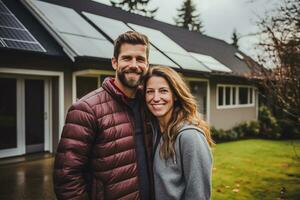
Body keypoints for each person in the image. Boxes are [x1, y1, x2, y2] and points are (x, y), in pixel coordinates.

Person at [53, 31, 153, 200]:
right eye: (127, 58)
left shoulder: (150, 104)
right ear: (115, 63)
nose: (134, 65)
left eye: (140, 59)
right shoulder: (86, 109)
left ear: (147, 65)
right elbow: (66, 177)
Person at [144, 66, 214, 200]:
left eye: (163, 91)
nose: (156, 98)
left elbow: (198, 195)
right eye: (150, 91)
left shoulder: (190, 136)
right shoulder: (152, 131)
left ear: (175, 95)